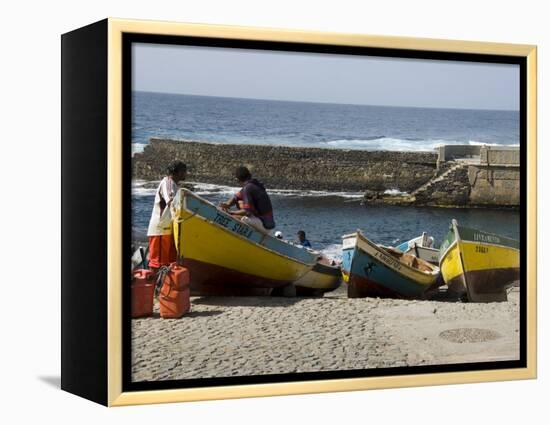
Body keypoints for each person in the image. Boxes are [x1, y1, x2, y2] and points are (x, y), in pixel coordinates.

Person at [147, 160, 187, 270]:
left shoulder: (174, 185)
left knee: (168, 263)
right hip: (160, 229)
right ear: (177, 172)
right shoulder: (168, 182)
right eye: (184, 171)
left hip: (167, 228)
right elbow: (171, 201)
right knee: (157, 263)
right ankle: (153, 286)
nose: (185, 174)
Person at [220, 166, 275, 234]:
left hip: (264, 224)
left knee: (234, 217)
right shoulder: (254, 184)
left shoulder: (248, 188)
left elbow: (247, 212)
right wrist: (227, 204)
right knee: (240, 202)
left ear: (237, 179)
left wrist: (230, 213)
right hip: (268, 223)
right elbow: (236, 198)